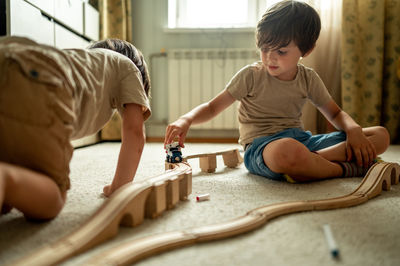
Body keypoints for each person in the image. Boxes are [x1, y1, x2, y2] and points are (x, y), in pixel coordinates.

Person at [164, 0, 390, 183]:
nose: (270, 57)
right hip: (262, 149)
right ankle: (343, 170)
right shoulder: (250, 75)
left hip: (302, 142)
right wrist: (186, 120)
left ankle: (313, 164)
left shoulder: (307, 77)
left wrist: (354, 130)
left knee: (379, 135)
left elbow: (335, 113)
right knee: (287, 152)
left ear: (307, 50)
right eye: (264, 48)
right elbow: (213, 107)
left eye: (281, 51)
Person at [0, 36, 151, 220]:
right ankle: (5, 178)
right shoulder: (129, 68)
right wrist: (118, 188)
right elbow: (135, 131)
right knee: (52, 198)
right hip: (45, 82)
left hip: (9, 53)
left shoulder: (81, 62)